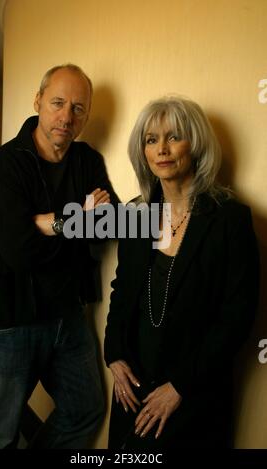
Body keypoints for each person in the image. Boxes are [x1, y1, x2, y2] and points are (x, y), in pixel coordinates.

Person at [0, 63, 119, 449]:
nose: (66, 116)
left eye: (78, 108)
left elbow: (109, 223)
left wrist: (44, 222)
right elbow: (18, 251)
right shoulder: (5, 163)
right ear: (38, 100)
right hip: (9, 320)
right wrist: (77, 218)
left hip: (67, 316)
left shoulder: (86, 159)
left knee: (85, 411)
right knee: (0, 433)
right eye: (57, 102)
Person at [104, 96, 260, 449]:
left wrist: (181, 388)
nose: (162, 149)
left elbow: (238, 317)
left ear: (197, 144)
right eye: (151, 139)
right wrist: (113, 354)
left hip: (194, 394)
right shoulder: (135, 214)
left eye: (174, 137)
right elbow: (121, 292)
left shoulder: (230, 220)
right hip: (133, 389)